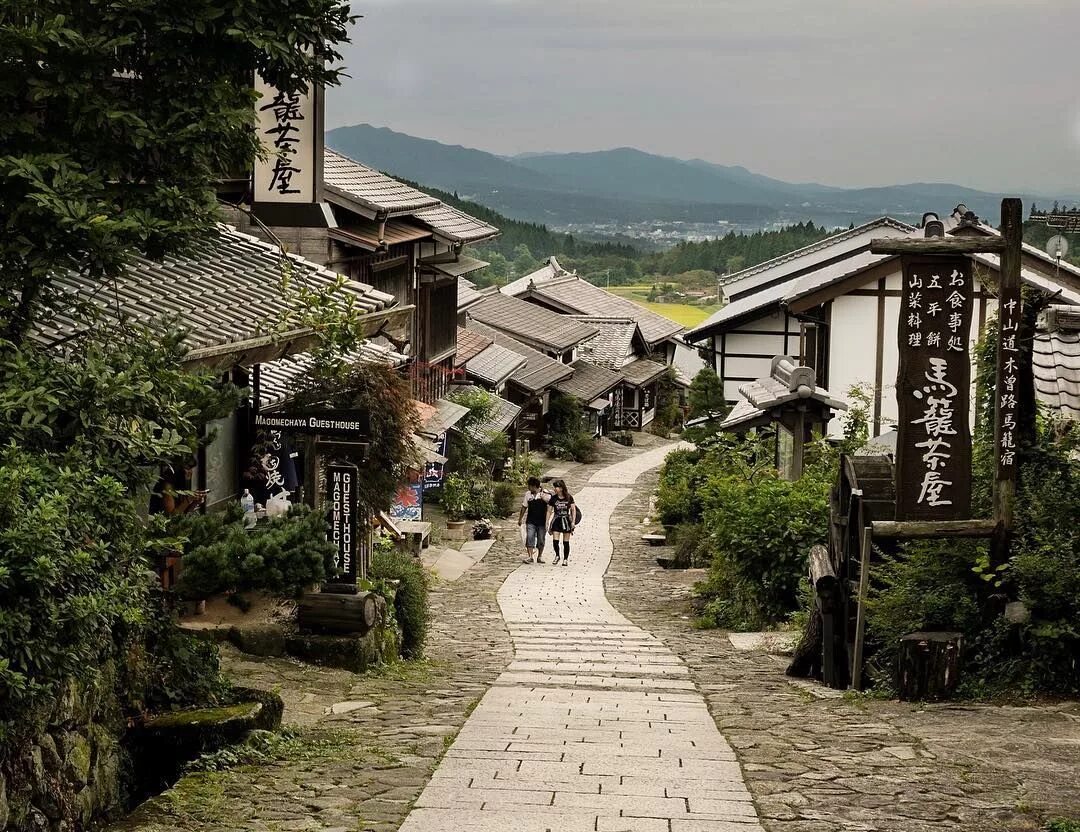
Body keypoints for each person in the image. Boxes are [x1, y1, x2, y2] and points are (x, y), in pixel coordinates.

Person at [517, 476, 550, 563]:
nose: (528, 488)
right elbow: (524, 507)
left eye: (530, 486)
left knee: (541, 539)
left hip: (542, 521)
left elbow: (550, 505)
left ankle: (539, 556)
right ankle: (530, 556)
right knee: (530, 537)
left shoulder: (544, 493)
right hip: (531, 520)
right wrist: (520, 519)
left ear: (534, 486)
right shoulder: (528, 494)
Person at [547, 479, 575, 566]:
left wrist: (573, 522)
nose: (555, 489)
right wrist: (547, 521)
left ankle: (565, 559)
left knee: (565, 542)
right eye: (555, 487)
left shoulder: (569, 497)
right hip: (557, 520)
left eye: (557, 487)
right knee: (555, 540)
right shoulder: (554, 498)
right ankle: (557, 555)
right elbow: (549, 511)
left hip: (566, 520)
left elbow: (573, 510)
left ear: (562, 488)